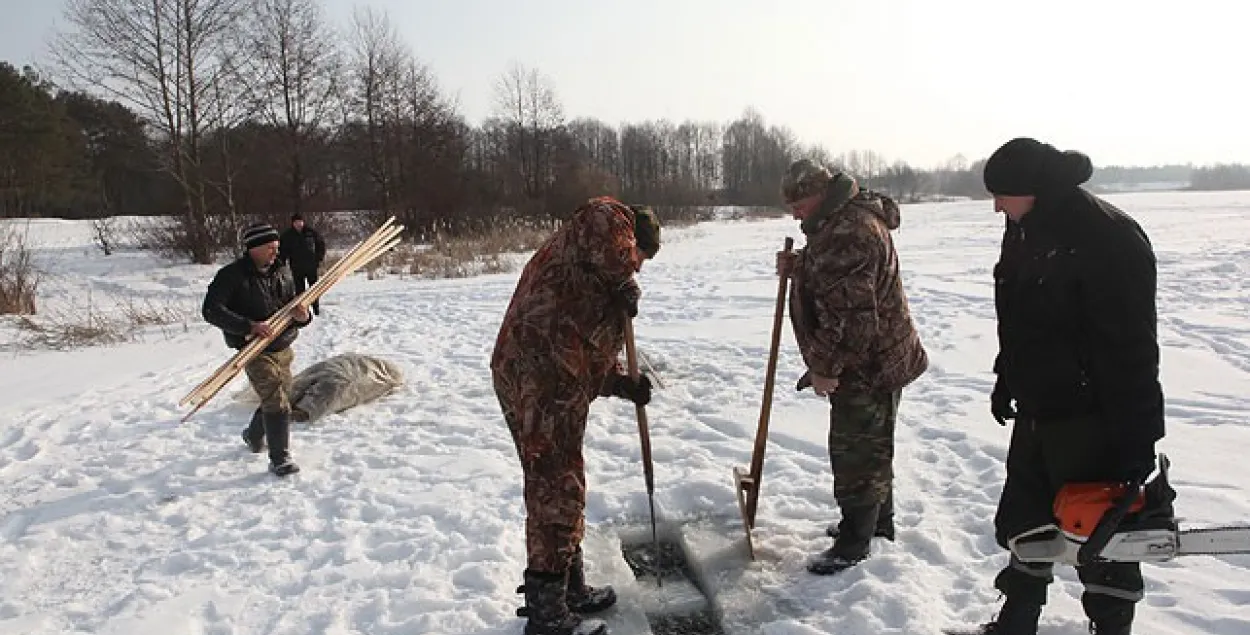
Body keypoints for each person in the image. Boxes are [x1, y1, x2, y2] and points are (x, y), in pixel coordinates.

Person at [969, 138, 1165, 635]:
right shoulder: (1024, 228)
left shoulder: (1108, 238)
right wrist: (1005, 377)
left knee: (1100, 538)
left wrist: (1137, 438)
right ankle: (1015, 623)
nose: (996, 206)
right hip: (1038, 408)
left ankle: (1112, 629)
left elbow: (1132, 348)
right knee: (1025, 524)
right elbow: (1018, 316)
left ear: (1033, 189)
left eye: (1003, 195)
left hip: (1093, 419)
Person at [491, 196, 661, 635]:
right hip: (538, 375)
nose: (638, 268)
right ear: (631, 240)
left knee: (560, 481)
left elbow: (586, 349)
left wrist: (621, 381)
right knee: (556, 486)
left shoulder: (593, 278)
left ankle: (568, 587)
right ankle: (548, 613)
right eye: (640, 257)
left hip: (554, 375)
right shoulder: (603, 224)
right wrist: (624, 273)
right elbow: (600, 215)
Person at [777, 159, 929, 575]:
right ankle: (876, 525)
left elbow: (853, 320)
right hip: (879, 358)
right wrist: (802, 267)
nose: (794, 212)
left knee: (857, 452)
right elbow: (837, 279)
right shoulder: (844, 219)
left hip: (868, 365)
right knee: (873, 445)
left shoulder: (850, 233)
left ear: (820, 193)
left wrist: (825, 367)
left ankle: (854, 542)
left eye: (798, 202)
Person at [202, 221, 312, 477]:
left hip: (283, 346)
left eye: (277, 247)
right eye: (271, 248)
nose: (276, 252)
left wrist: (302, 316)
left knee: (280, 396)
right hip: (253, 350)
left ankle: (253, 435)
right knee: (275, 399)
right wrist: (247, 325)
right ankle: (280, 457)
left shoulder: (283, 270)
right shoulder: (231, 275)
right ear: (254, 248)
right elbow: (211, 310)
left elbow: (294, 306)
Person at [279, 213, 326, 315]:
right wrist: (281, 262)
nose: (299, 224)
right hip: (296, 267)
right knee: (300, 291)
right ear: (293, 223)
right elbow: (282, 251)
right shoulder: (287, 235)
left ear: (303, 222)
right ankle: (304, 311)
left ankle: (316, 309)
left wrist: (319, 258)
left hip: (311, 266)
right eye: (296, 222)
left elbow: (321, 244)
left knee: (314, 289)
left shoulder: (311, 232)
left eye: (300, 221)